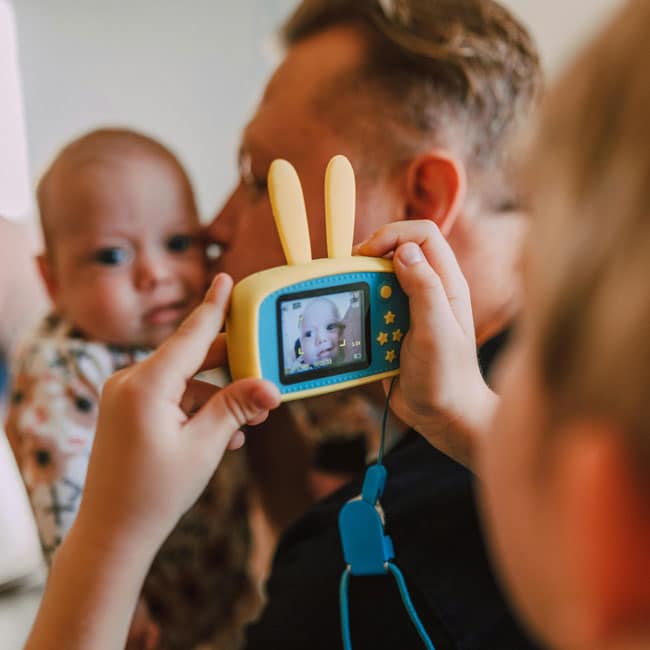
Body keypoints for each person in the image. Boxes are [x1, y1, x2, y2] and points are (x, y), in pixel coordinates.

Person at [209, 1, 542, 647]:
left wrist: (111, 539)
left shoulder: (364, 576)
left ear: (421, 200)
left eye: (258, 179)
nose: (212, 227)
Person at [5, 129, 258, 650]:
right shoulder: (61, 367)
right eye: (112, 257)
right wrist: (116, 599)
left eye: (178, 243)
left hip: (218, 577)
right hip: (135, 602)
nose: (156, 274)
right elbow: (62, 498)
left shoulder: (196, 326)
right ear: (52, 280)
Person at [290, 298, 345, 372]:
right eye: (309, 334)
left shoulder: (348, 357)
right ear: (301, 349)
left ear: (341, 334)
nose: (322, 339)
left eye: (330, 327)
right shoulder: (298, 368)